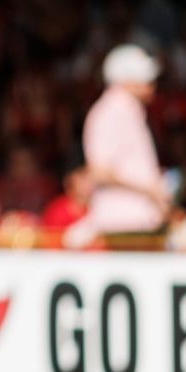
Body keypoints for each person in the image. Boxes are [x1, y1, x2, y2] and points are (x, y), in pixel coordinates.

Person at [74, 44, 171, 239]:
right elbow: (99, 172)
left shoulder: (128, 111)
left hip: (139, 221)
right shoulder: (109, 112)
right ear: (126, 80)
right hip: (122, 223)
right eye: (146, 78)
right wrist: (150, 189)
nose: (152, 84)